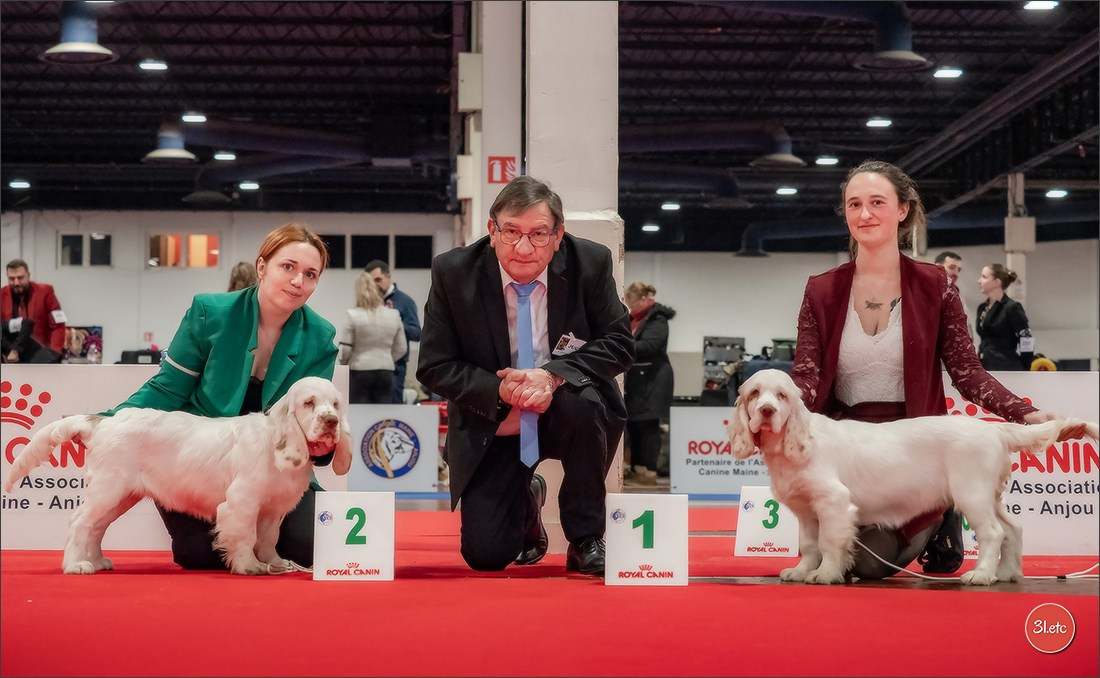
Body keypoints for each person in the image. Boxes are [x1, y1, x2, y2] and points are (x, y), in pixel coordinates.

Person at [790, 160, 1080, 579]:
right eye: (854, 204)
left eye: (876, 202)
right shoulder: (821, 288)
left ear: (902, 210)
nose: (864, 214)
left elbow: (967, 371)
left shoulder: (935, 284)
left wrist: (1026, 414)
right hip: (844, 453)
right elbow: (806, 376)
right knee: (836, 553)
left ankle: (940, 509)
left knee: (864, 564)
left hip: (917, 455)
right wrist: (768, 404)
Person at [416, 175, 634, 576]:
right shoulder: (453, 272)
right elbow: (434, 364)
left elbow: (619, 344)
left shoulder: (591, 262)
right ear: (492, 231)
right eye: (511, 232)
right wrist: (500, 390)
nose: (523, 247)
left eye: (538, 234)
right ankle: (527, 503)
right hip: (495, 419)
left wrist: (551, 377)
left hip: (566, 407)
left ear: (558, 235)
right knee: (485, 556)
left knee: (585, 404)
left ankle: (586, 537)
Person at [107, 222, 346, 570]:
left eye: (311, 274)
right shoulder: (209, 312)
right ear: (262, 267)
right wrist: (107, 424)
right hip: (201, 460)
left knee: (314, 545)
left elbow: (315, 417)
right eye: (288, 267)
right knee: (201, 555)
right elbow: (166, 388)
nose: (298, 281)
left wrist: (322, 449)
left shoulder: (321, 337)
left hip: (277, 466)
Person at [623, 282, 676, 486]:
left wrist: (621, 346)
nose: (630, 306)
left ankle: (648, 472)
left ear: (644, 299)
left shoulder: (657, 319)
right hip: (639, 382)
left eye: (632, 302)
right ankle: (638, 469)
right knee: (634, 425)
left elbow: (649, 346)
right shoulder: (635, 319)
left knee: (648, 427)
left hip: (654, 381)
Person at [339, 271, 408, 404]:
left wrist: (344, 364)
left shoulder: (352, 315)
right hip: (386, 371)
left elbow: (345, 349)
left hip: (359, 370)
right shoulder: (394, 315)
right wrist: (386, 358)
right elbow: (401, 348)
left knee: (359, 414)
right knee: (381, 416)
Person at [364, 259, 421, 404]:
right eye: (371, 281)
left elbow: (416, 333)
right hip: (369, 366)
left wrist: (394, 322)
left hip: (395, 366)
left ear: (388, 276)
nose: (375, 285)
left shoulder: (404, 301)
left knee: (392, 409)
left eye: (378, 280)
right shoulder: (368, 302)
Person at [2, 258, 66, 362]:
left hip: (42, 356)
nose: (16, 282)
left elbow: (58, 325)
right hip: (12, 358)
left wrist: (55, 352)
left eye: (20, 277)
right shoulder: (2, 295)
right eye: (12, 279)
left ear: (28, 275)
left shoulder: (46, 292)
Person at [976, 263, 1033, 371]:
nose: (979, 281)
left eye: (984, 277)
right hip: (985, 367)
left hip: (1007, 367)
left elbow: (1026, 338)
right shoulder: (982, 308)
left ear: (997, 282)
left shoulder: (1012, 307)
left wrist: (1025, 367)